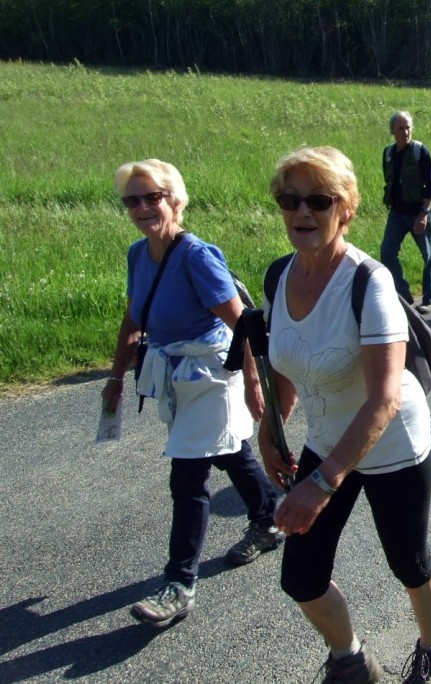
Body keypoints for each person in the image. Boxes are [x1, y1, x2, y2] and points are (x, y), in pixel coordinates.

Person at [260, 146, 431, 684]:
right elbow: (285, 361)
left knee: (408, 561)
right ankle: (351, 660)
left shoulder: (370, 283)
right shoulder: (279, 276)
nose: (302, 213)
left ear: (345, 209)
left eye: (318, 201)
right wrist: (269, 429)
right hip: (326, 437)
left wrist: (318, 484)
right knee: (301, 575)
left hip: (390, 438)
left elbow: (385, 398)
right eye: (289, 200)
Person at [103, 159, 283, 627]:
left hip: (211, 376)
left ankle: (180, 583)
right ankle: (269, 516)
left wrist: (251, 385)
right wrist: (116, 376)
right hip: (175, 376)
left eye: (153, 196)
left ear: (175, 201)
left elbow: (242, 322)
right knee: (227, 453)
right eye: (133, 200)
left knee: (188, 477)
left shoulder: (197, 256)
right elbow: (134, 318)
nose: (142, 207)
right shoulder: (138, 255)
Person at [380, 111, 431, 315]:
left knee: (428, 256)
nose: (405, 132)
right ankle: (403, 294)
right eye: (400, 128)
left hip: (418, 212)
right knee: (387, 253)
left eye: (408, 128)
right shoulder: (388, 153)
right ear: (392, 131)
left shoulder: (420, 151)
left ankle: (430, 299)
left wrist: (424, 214)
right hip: (397, 213)